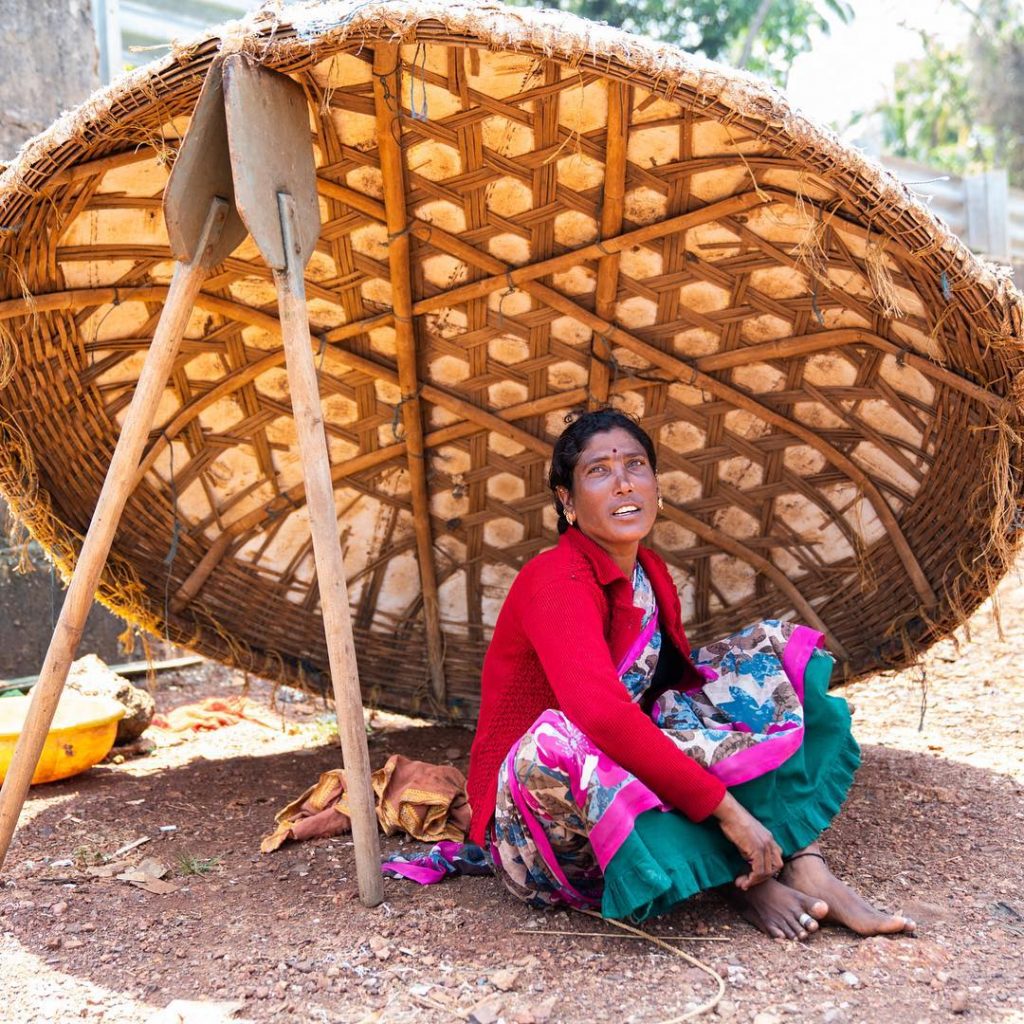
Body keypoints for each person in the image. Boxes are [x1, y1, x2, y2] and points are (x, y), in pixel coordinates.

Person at [465, 409, 915, 939]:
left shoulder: (649, 574)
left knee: (756, 665)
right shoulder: (555, 578)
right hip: (541, 823)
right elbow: (601, 715)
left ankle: (802, 860)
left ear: (657, 488)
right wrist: (729, 812)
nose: (623, 481)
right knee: (561, 739)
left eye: (635, 465)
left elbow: (670, 693)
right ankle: (739, 879)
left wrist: (724, 746)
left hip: (615, 762)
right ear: (566, 501)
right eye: (598, 471)